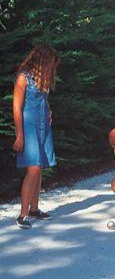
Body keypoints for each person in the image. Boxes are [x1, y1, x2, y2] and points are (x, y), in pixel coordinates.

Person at [13, 44, 60, 229]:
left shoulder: (42, 78)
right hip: (29, 126)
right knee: (33, 168)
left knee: (39, 167)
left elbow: (44, 99)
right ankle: (22, 215)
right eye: (50, 64)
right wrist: (19, 136)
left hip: (43, 126)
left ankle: (34, 208)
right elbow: (16, 108)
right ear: (42, 61)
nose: (52, 68)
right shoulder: (23, 78)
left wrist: (49, 110)